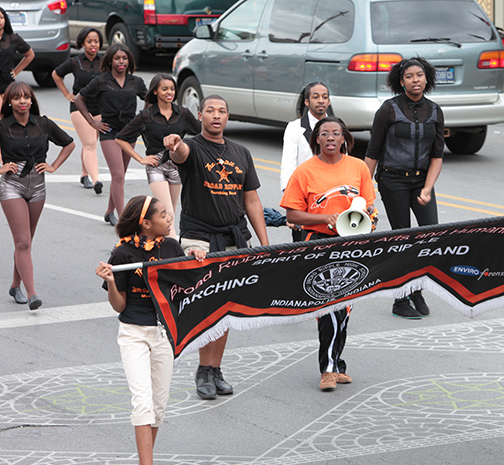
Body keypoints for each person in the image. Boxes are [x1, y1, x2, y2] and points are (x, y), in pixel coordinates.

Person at [95, 195, 206, 465]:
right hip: (133, 333)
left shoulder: (171, 247)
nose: (170, 218)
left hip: (164, 334)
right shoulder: (122, 253)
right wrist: (112, 282)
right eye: (163, 215)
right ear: (146, 223)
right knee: (142, 404)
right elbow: (119, 306)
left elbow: (188, 280)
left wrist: (194, 256)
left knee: (158, 407)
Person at [163, 94, 269, 400]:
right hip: (199, 238)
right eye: (210, 110)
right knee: (208, 306)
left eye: (222, 111)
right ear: (200, 115)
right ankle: (202, 369)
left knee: (227, 308)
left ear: (228, 116)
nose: (216, 115)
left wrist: (263, 244)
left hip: (235, 239)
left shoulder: (241, 152)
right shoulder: (193, 147)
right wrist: (175, 143)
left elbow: (251, 199)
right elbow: (180, 154)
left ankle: (216, 369)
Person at [281, 116, 376, 391]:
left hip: (353, 243)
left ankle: (337, 362)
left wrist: (368, 216)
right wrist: (324, 217)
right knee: (328, 305)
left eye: (336, 133)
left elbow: (369, 205)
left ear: (345, 137)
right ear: (317, 139)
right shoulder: (305, 171)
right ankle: (329, 369)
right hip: (318, 243)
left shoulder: (358, 167)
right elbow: (292, 214)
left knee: (345, 307)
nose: (331, 138)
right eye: (325, 134)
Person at [365, 57, 444, 319]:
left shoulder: (435, 111)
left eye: (419, 75)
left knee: (429, 236)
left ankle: (417, 289)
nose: (415, 80)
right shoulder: (388, 110)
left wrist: (428, 188)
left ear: (427, 78)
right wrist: (365, 194)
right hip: (392, 179)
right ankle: (400, 299)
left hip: (421, 180)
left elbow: (437, 155)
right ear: (401, 81)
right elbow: (373, 151)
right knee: (402, 239)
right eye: (409, 76)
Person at [0, 82, 74, 310]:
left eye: (26, 97)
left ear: (32, 100)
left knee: (26, 242)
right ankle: (32, 294)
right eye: (17, 98)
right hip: (12, 186)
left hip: (38, 186)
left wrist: (53, 166)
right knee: (22, 241)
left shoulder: (43, 123)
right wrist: (1, 167)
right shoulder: (2, 126)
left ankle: (15, 285)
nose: (22, 101)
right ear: (9, 102)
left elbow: (69, 144)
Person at [115, 74, 201, 238]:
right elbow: (121, 138)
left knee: (170, 214)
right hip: (156, 167)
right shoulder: (146, 116)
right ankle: (175, 248)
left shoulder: (183, 113)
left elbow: (201, 134)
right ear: (155, 91)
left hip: (178, 167)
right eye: (165, 89)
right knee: (166, 210)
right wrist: (141, 159)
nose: (170, 92)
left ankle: (161, 245)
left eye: (172, 89)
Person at [74, 43, 147, 226]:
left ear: (129, 60)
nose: (121, 61)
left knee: (120, 175)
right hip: (109, 132)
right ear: (110, 60)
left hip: (130, 133)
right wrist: (92, 122)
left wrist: (143, 119)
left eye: (124, 58)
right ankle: (123, 219)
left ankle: (109, 212)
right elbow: (78, 99)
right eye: (117, 58)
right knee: (118, 174)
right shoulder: (101, 81)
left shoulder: (136, 82)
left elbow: (151, 99)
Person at [52, 27, 104, 193]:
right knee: (89, 144)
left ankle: (84, 174)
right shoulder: (75, 62)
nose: (93, 44)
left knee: (90, 143)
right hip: (79, 107)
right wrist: (67, 93)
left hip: (99, 107)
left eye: (96, 41)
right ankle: (96, 180)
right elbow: (56, 74)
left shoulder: (104, 62)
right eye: (89, 41)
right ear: (82, 43)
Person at [279, 81, 331, 242]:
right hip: (304, 199)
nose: (321, 100)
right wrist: (292, 207)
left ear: (329, 101)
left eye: (324, 97)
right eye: (315, 97)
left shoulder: (336, 127)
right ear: (307, 102)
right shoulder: (294, 128)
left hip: (331, 199)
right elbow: (288, 167)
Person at [0, 8, 34, 95]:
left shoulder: (13, 38)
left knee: (5, 107)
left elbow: (30, 55)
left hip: (6, 81)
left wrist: (16, 71)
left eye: (1, 18)